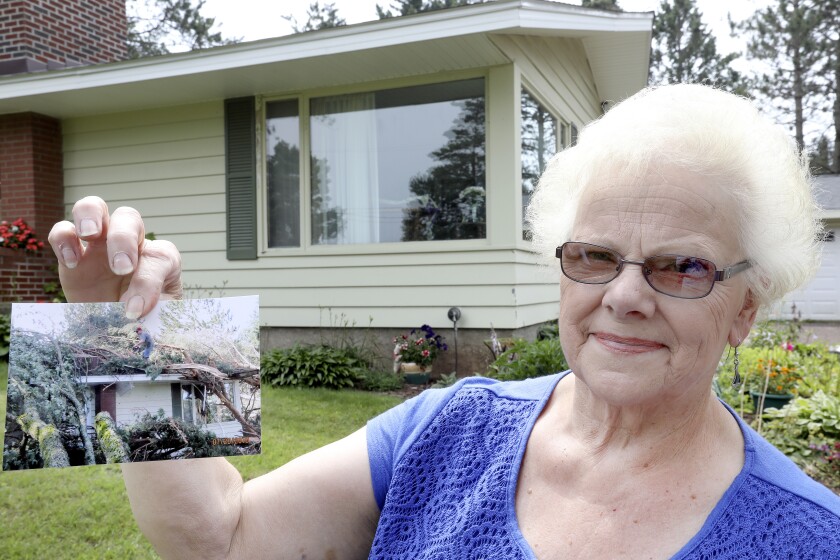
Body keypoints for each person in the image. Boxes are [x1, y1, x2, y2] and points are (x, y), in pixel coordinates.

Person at [48, 84, 839, 559]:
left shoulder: (811, 537)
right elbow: (218, 540)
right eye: (595, 255)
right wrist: (127, 333)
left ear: (745, 306)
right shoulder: (447, 430)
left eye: (682, 265)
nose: (626, 294)